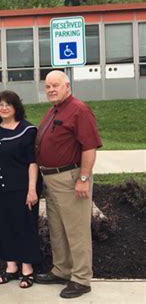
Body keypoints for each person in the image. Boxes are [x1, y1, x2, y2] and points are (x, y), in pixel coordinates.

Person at [35, 70, 102, 299]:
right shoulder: (55, 111)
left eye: (56, 85)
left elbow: (89, 147)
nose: (51, 89)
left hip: (71, 178)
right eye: (48, 86)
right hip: (51, 180)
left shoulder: (79, 110)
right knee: (57, 229)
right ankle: (62, 269)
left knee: (76, 230)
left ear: (67, 86)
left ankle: (81, 279)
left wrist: (83, 178)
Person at [0, 90, 41, 289]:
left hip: (21, 189)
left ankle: (27, 269)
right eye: (0, 104)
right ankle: (10, 266)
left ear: (16, 107)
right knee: (3, 226)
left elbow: (32, 162)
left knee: (23, 227)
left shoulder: (27, 130)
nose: (4, 108)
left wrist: (32, 189)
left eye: (8, 104)